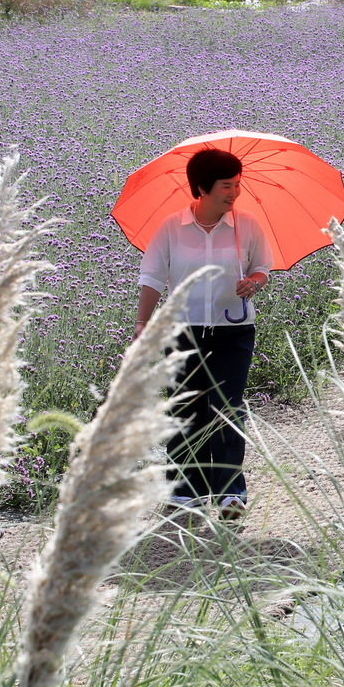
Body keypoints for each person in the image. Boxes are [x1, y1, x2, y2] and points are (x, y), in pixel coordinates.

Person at [135, 147, 273, 519]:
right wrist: (143, 324)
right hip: (183, 331)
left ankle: (231, 492)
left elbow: (264, 266)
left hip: (235, 330)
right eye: (227, 186)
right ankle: (186, 491)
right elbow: (151, 277)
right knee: (185, 407)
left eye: (238, 185)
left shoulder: (248, 225)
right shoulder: (171, 228)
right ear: (202, 188)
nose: (234, 193)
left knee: (227, 407)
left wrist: (254, 282)